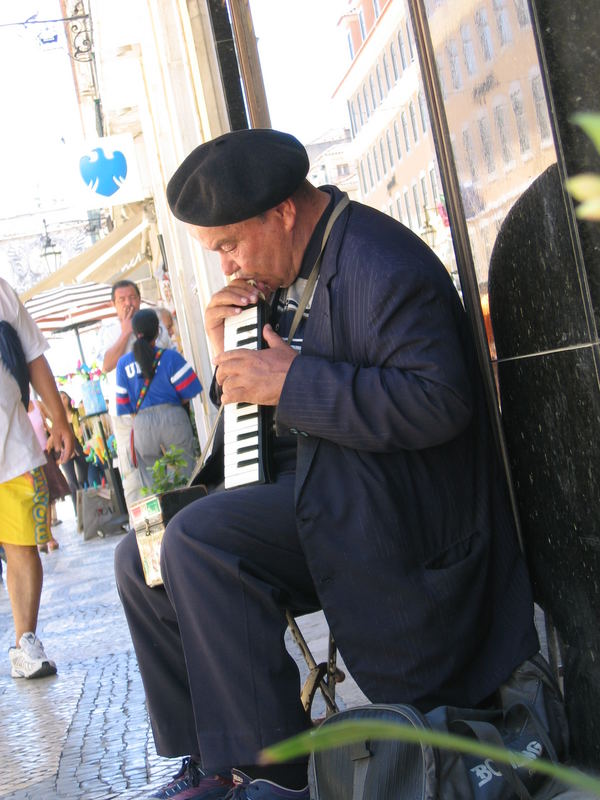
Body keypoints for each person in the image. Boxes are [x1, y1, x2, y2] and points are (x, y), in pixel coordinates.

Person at [114, 129, 540, 800]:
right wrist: (233, 347)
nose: (227, 266)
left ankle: (268, 776)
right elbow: (267, 414)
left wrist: (290, 381)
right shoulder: (284, 275)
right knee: (147, 548)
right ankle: (208, 754)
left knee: (200, 544)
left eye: (229, 245)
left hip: (394, 514)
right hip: (323, 490)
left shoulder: (379, 263)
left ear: (282, 210)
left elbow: (441, 402)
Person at [0, 277, 75, 679]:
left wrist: (59, 418)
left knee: (23, 547)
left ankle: (24, 641)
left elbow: (34, 356)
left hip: (12, 449)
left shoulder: (1, 291)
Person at [98, 280, 173, 512]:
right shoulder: (108, 331)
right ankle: (142, 528)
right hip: (126, 418)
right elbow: (107, 364)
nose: (128, 303)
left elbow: (169, 360)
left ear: (140, 300)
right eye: (122, 300)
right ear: (114, 305)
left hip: (159, 411)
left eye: (132, 297)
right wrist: (126, 332)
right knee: (134, 475)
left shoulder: (155, 324)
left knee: (168, 466)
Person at [115, 308, 202, 490]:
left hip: (142, 425)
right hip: (173, 418)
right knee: (185, 475)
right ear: (158, 330)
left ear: (134, 332)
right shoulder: (170, 357)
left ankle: (162, 517)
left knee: (153, 482)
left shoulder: (123, 364)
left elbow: (125, 406)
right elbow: (189, 392)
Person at [27, 396, 71, 552]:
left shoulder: (37, 404)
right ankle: (39, 537)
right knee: (34, 497)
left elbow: (57, 420)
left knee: (46, 496)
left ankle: (47, 536)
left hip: (44, 455)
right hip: (26, 459)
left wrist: (53, 437)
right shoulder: (13, 407)